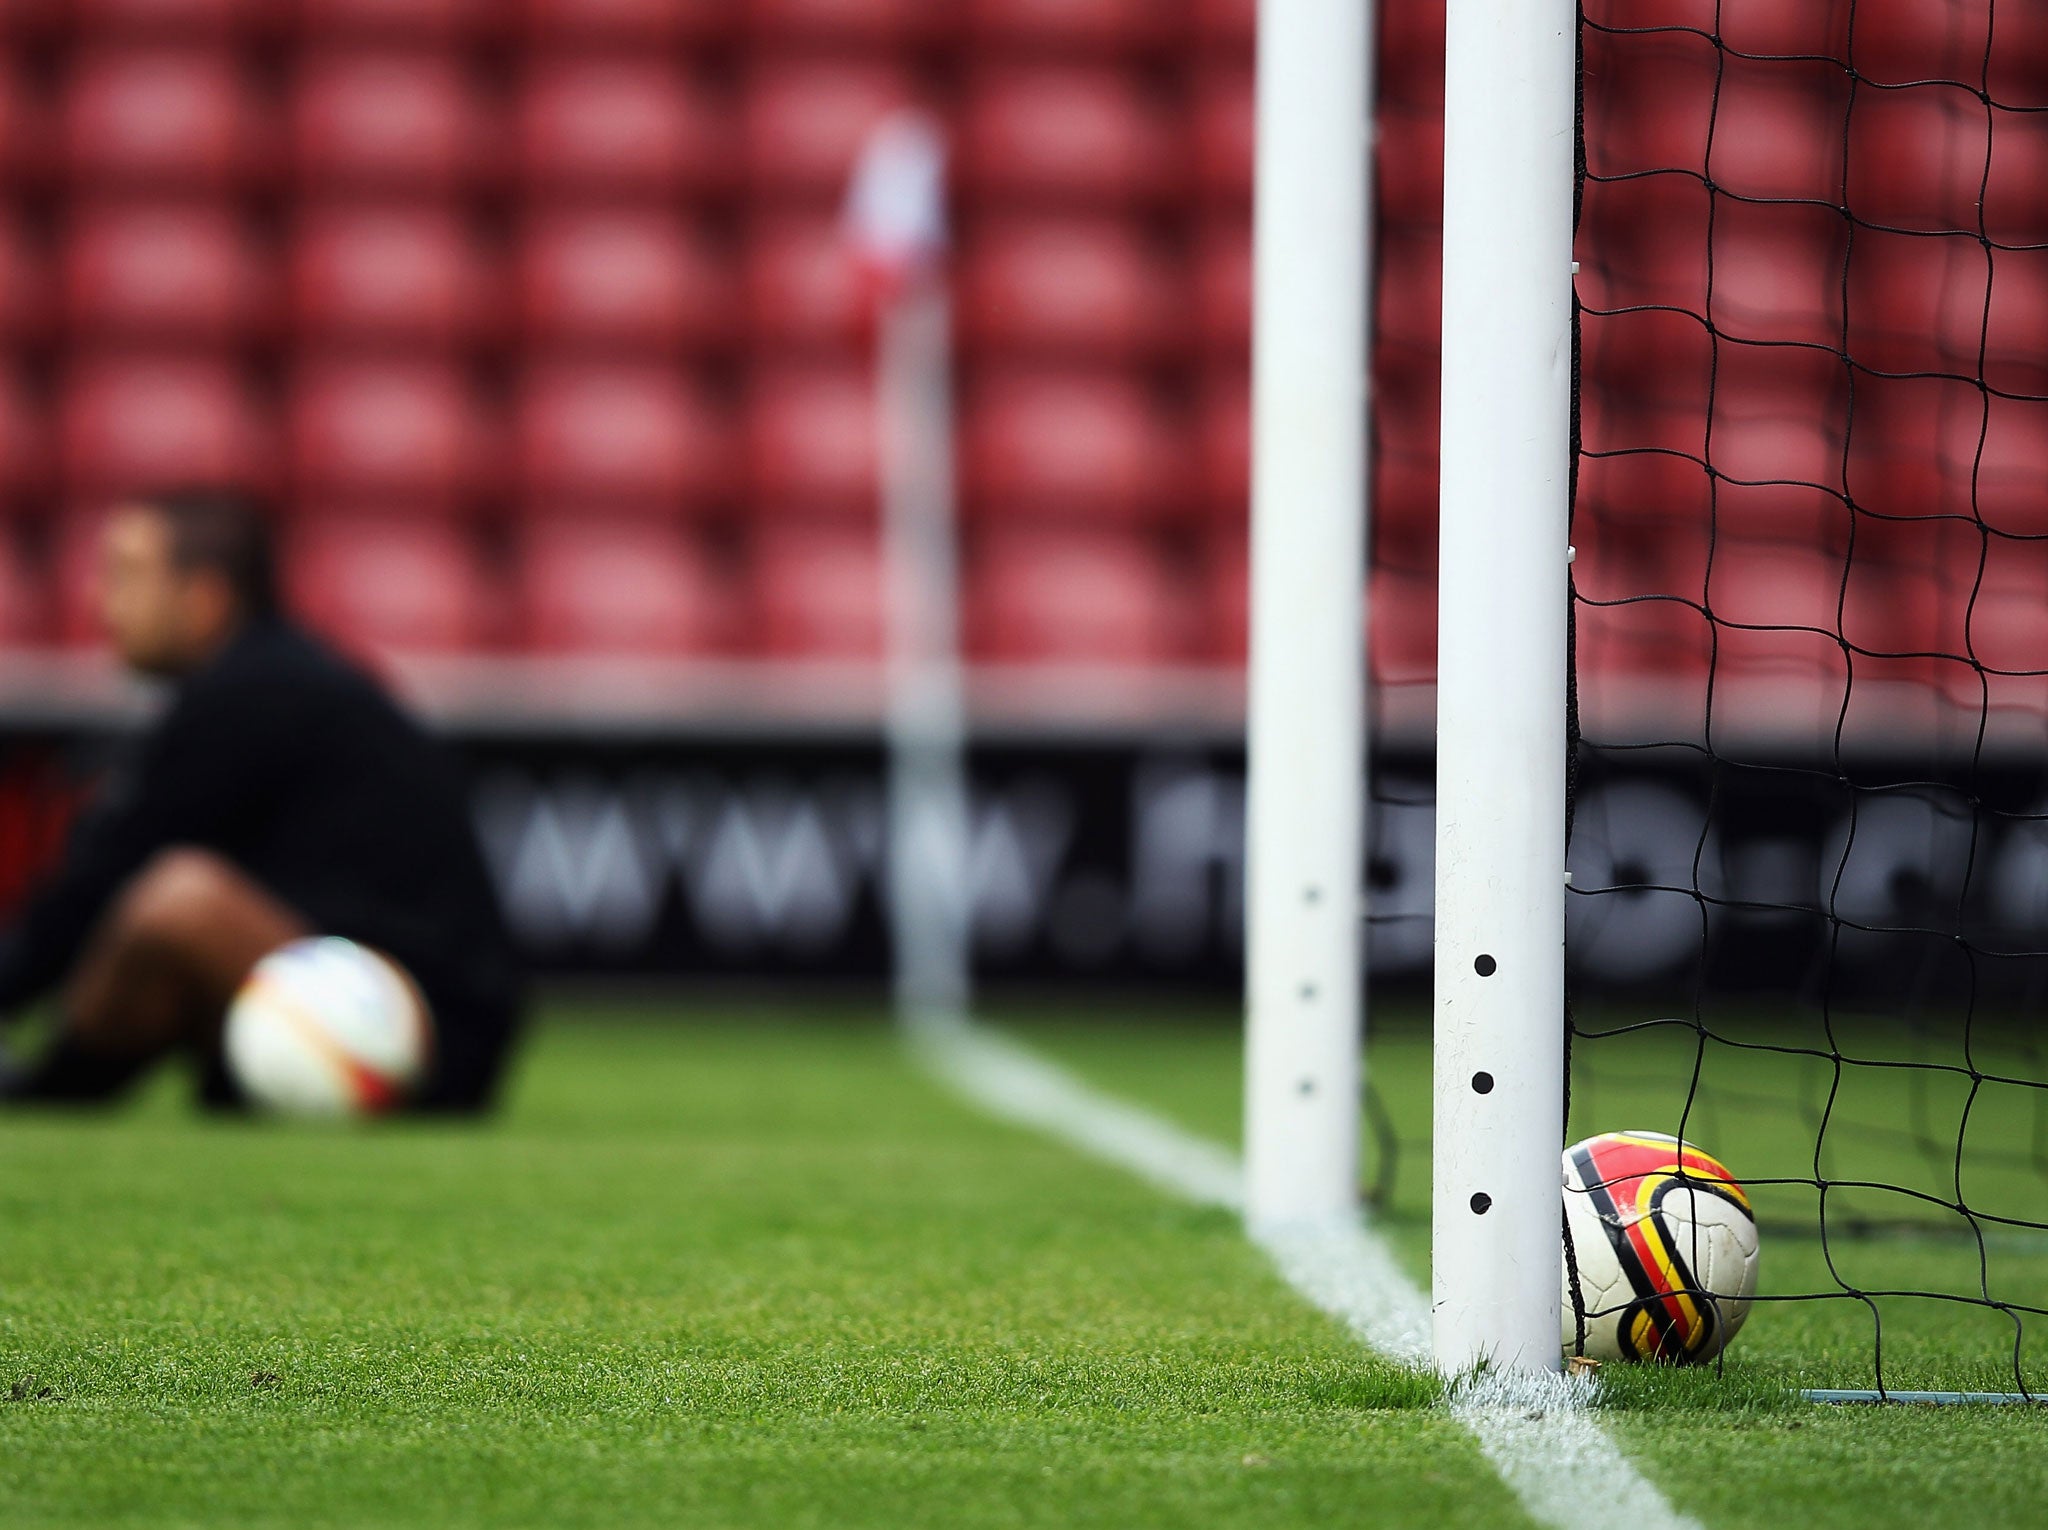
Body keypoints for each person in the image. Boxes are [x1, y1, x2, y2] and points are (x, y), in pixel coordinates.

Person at [0, 489, 524, 1111]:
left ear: (204, 598)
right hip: (383, 999)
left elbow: (102, 881)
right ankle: (58, 1088)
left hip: (422, 1028)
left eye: (128, 575)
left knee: (180, 900)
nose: (99, 600)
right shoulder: (279, 676)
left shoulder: (251, 694)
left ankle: (50, 1093)